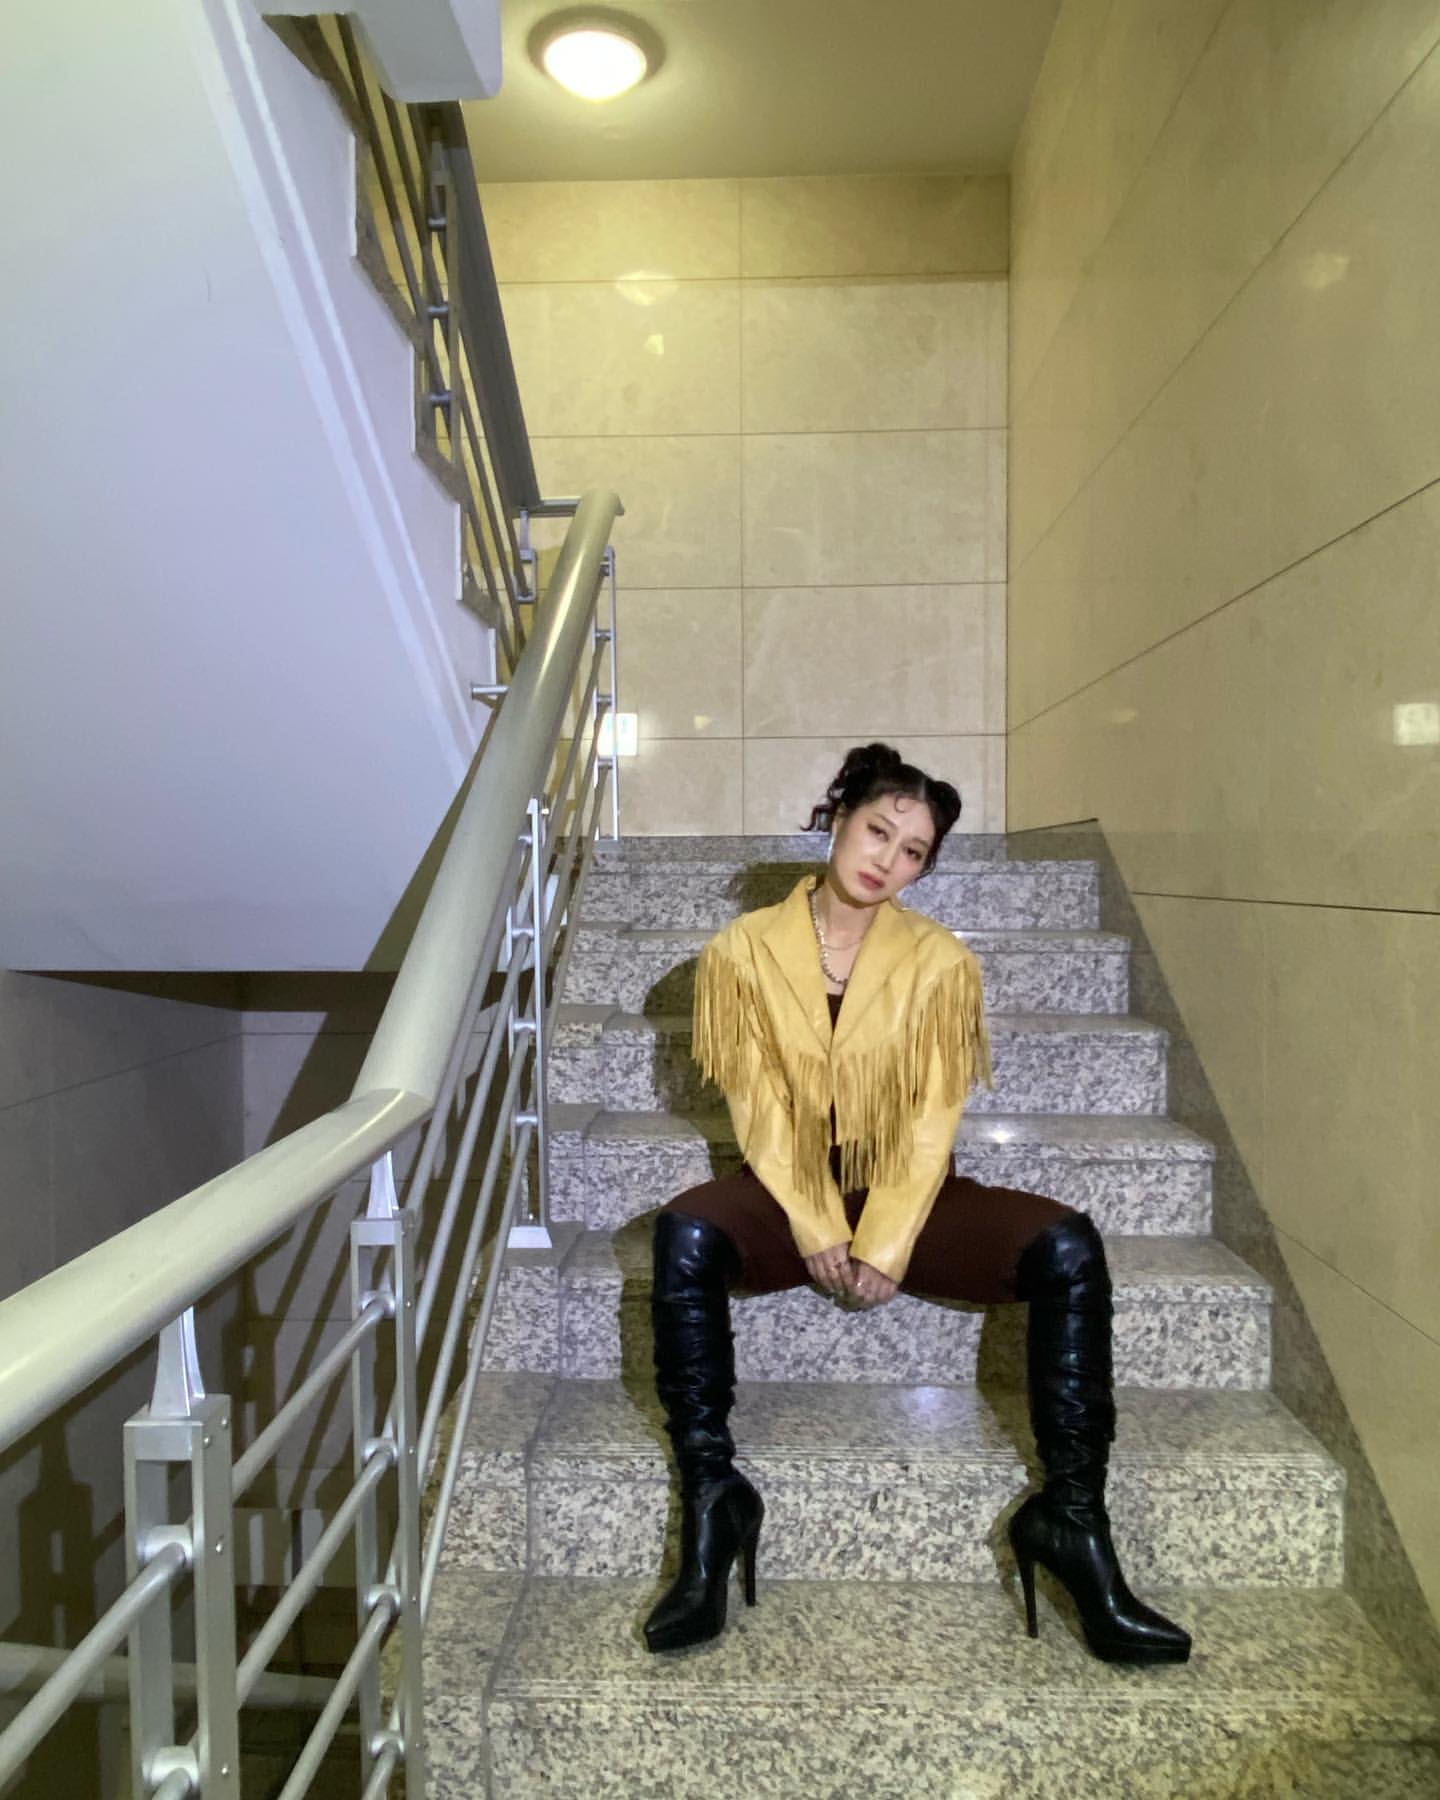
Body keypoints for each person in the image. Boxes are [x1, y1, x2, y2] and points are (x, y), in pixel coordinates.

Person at [644, 742, 1191, 1666]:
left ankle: (1072, 1521)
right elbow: (759, 1110)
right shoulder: (739, 952)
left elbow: (933, 1119)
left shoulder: (940, 961)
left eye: (913, 852)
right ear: (837, 819)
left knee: (1067, 1246)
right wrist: (818, 1224)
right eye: (877, 831)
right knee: (683, 1235)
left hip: (907, 1184)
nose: (887, 860)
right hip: (787, 1183)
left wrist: (887, 1239)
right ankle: (713, 1501)